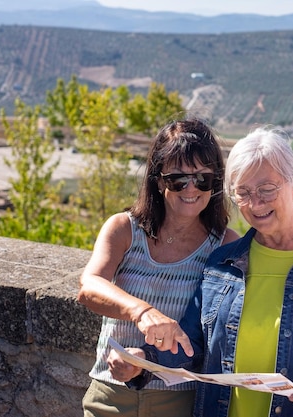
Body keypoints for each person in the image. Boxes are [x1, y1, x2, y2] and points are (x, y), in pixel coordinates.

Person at [108, 127, 293, 417]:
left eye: (266, 190)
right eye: (243, 192)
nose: (255, 203)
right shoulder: (222, 262)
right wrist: (144, 360)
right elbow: (192, 343)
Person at [77, 117, 239, 417]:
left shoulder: (227, 245)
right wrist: (142, 312)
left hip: (181, 402)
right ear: (158, 178)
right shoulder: (124, 228)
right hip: (110, 396)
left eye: (203, 179)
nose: (191, 189)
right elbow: (89, 287)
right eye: (179, 179)